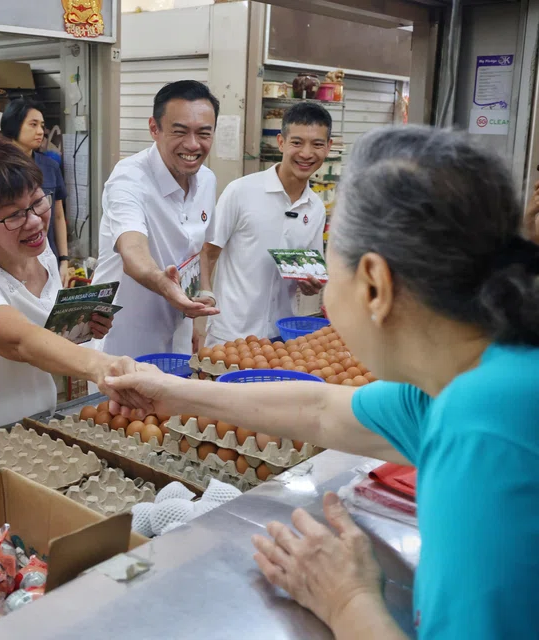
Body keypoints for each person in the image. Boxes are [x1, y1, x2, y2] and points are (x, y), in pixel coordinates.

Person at [105, 125, 539, 639]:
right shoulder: (485, 378)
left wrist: (347, 598)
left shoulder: (483, 427)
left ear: (374, 284)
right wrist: (172, 393)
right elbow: (322, 409)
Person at [0, 137, 147, 446]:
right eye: (13, 215)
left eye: (37, 201)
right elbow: (21, 341)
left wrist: (79, 327)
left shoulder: (40, 255)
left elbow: (43, 331)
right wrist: (101, 366)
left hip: (34, 419)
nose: (33, 221)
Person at [90, 80, 220, 358]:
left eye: (204, 133)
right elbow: (132, 249)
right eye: (180, 132)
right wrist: (164, 285)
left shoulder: (207, 180)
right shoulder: (128, 179)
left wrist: (203, 303)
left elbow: (200, 251)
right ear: (154, 128)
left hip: (179, 337)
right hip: (124, 342)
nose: (193, 145)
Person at [200, 102, 330, 346]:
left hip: (281, 337)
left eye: (317, 144)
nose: (306, 153)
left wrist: (311, 285)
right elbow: (208, 252)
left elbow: (308, 271)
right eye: (297, 142)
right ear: (281, 142)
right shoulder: (241, 191)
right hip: (230, 335)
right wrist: (205, 295)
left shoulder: (316, 208)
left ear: (328, 148)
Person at [0, 98, 72, 287]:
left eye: (42, 125)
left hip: (47, 259)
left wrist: (64, 259)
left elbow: (58, 215)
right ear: (14, 125)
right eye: (33, 125)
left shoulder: (50, 166)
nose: (40, 131)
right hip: (10, 262)